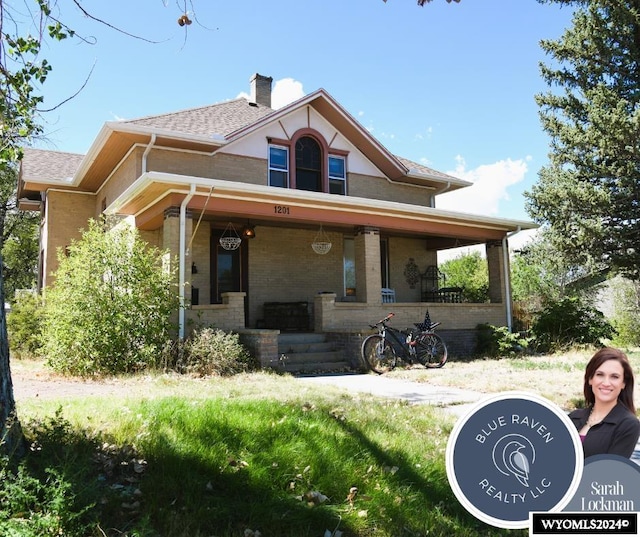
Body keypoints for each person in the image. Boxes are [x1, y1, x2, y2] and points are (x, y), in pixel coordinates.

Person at [569, 347, 640, 458]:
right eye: (600, 375)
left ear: (623, 383)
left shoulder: (628, 424)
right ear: (590, 379)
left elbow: (610, 471)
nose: (606, 383)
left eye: (614, 377)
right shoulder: (573, 418)